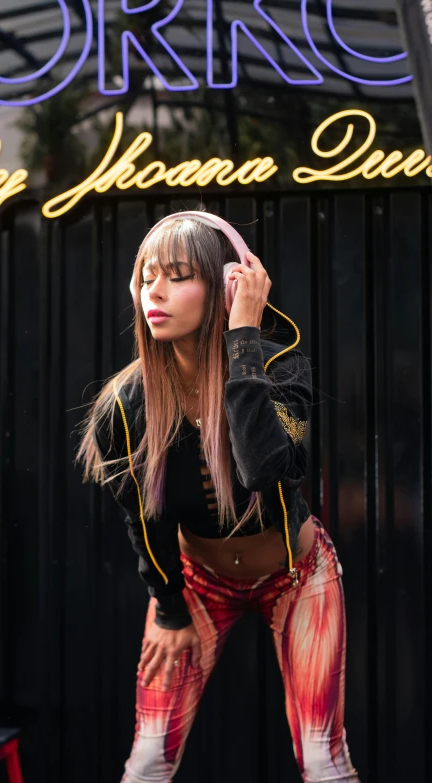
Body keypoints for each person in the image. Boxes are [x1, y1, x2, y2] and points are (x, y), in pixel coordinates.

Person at [78, 211, 360, 783]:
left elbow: (263, 470)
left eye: (177, 274)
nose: (152, 291)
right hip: (196, 582)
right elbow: (144, 518)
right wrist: (169, 604)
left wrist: (243, 336)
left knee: (324, 761)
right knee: (148, 761)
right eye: (145, 276)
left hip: (297, 572)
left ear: (230, 284)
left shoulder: (282, 369)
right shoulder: (126, 404)